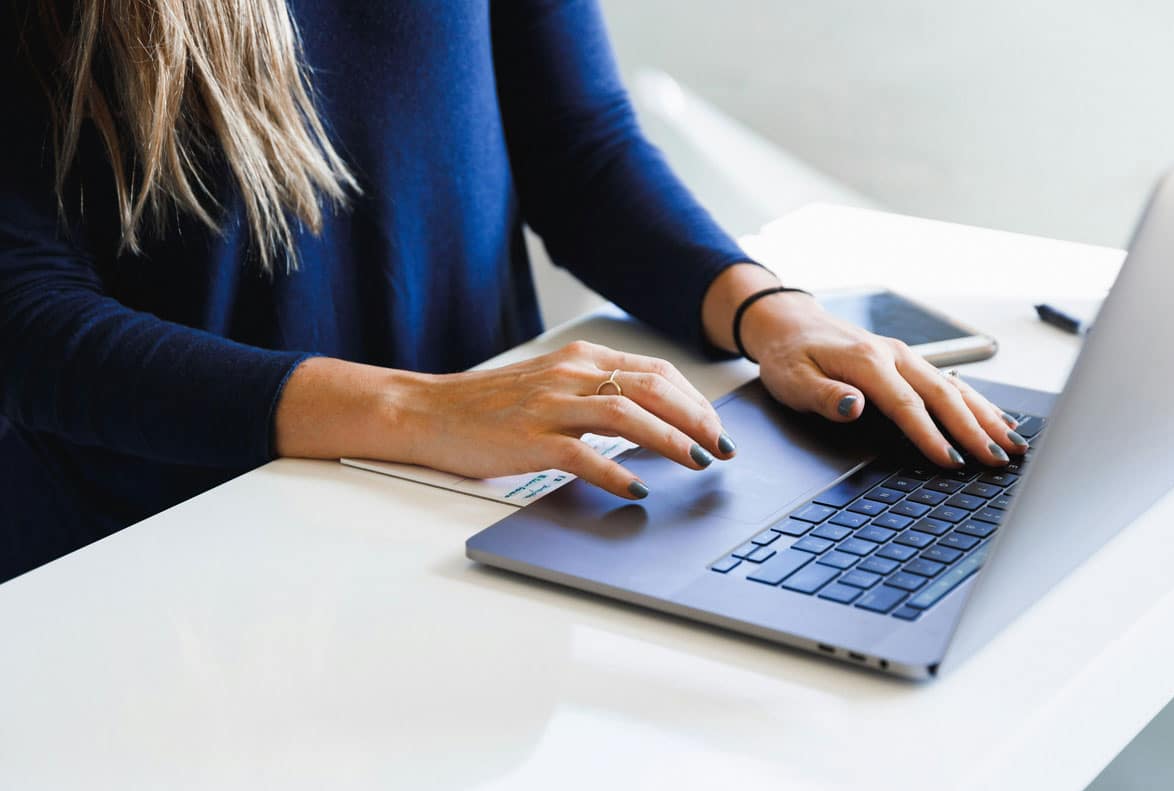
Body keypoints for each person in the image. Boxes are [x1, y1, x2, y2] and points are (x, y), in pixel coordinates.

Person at [0, 0, 1027, 582]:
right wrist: (417, 406)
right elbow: (24, 320)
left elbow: (575, 145)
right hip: (162, 555)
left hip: (477, 503)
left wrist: (771, 313)